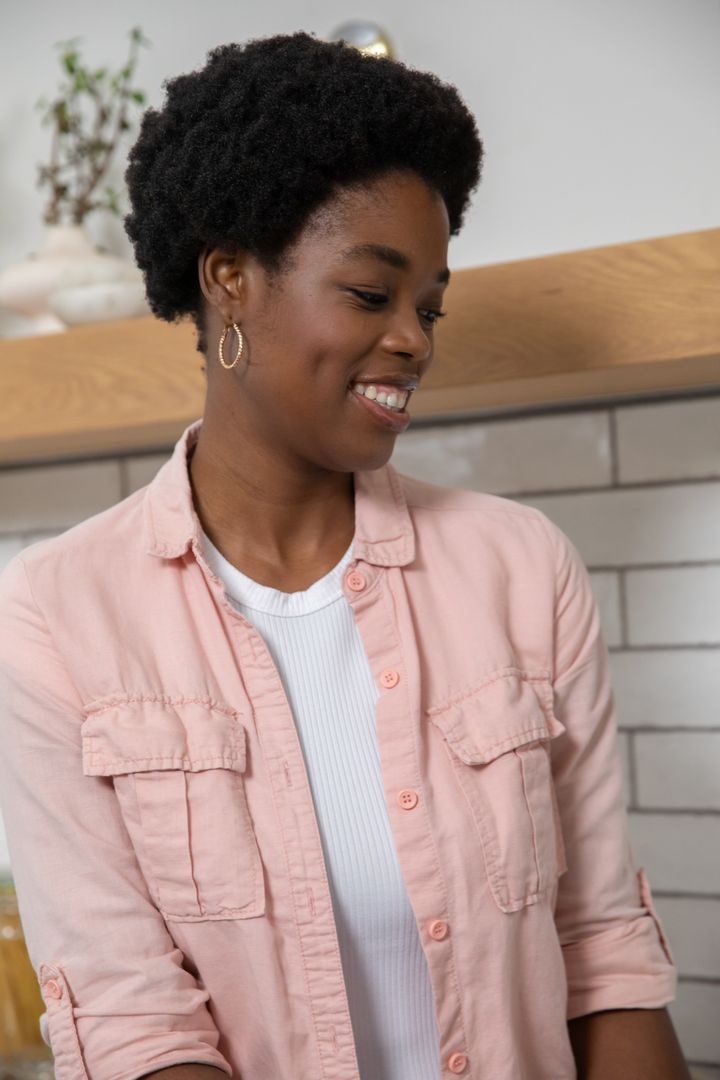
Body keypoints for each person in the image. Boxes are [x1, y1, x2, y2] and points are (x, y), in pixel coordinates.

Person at [0, 30, 689, 1080]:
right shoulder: (56, 614)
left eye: (430, 308)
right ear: (230, 276)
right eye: (372, 295)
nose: (414, 339)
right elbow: (135, 1023)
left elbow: (603, 952)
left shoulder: (519, 568)